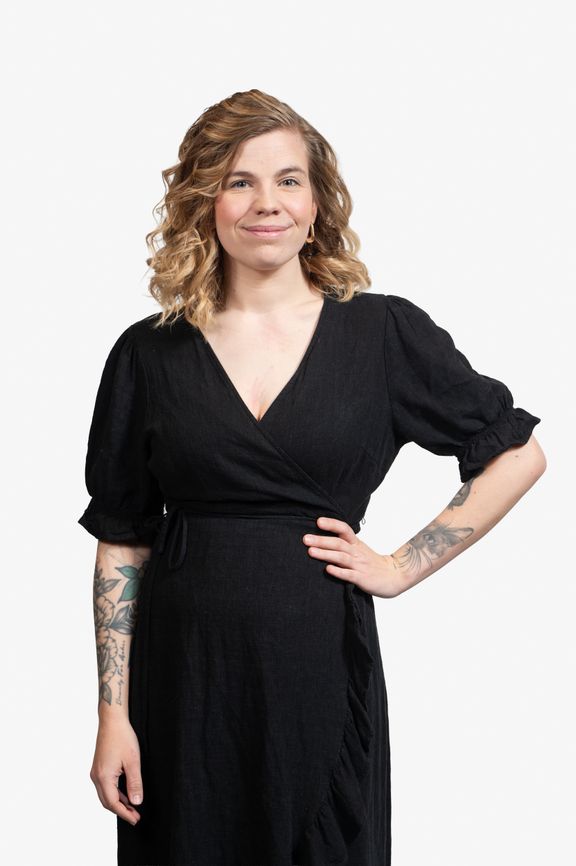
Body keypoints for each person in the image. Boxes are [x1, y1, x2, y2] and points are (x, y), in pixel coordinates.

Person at [78, 88, 546, 866]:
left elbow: (517, 453)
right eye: (240, 181)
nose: (267, 202)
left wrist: (402, 565)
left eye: (288, 180)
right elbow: (122, 543)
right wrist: (111, 716)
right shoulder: (147, 353)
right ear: (205, 201)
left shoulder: (382, 331)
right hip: (181, 687)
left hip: (319, 673)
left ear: (317, 202)